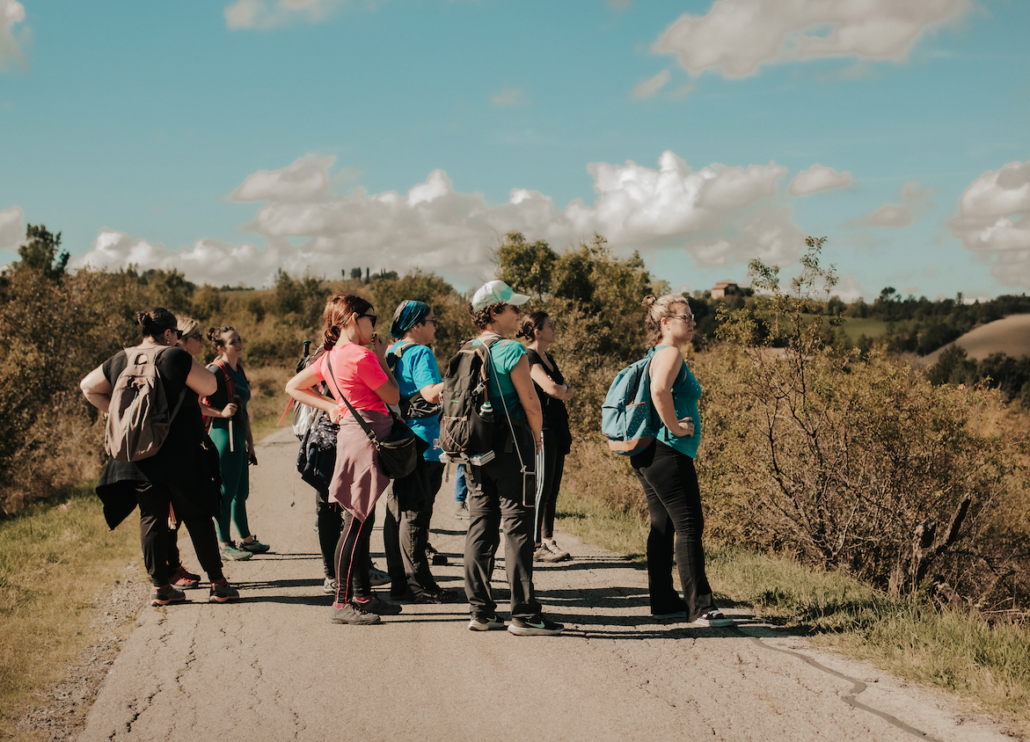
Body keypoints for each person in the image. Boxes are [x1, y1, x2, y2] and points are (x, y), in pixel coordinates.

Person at [79, 308, 240, 605]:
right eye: (175, 334)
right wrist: (181, 354)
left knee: (151, 517)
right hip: (179, 452)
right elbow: (210, 386)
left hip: (137, 455)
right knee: (196, 514)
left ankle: (161, 588)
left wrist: (124, 417)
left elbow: (88, 387)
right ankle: (218, 584)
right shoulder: (175, 355)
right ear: (168, 333)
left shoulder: (120, 358)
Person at [285, 294, 404, 625]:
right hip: (367, 439)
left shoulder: (330, 356)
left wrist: (331, 406)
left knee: (361, 518)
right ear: (354, 318)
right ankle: (341, 603)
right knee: (357, 522)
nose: (375, 326)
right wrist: (381, 359)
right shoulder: (363, 356)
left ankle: (363, 595)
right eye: (372, 318)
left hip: (354, 436)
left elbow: (293, 386)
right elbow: (393, 396)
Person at [461, 280, 564, 636]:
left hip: (474, 450)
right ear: (494, 312)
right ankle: (524, 613)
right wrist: (537, 437)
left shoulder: (465, 349)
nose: (518, 313)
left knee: (480, 527)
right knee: (518, 528)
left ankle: (481, 611)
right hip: (512, 449)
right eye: (513, 308)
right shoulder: (510, 350)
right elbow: (531, 401)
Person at [632, 295, 732, 626]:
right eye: (685, 317)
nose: (692, 322)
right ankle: (701, 607)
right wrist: (676, 426)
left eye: (692, 317)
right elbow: (660, 391)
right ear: (665, 323)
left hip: (651, 451)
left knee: (664, 525)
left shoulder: (656, 354)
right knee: (689, 525)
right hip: (668, 450)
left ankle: (663, 602)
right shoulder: (670, 353)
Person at [382, 300, 458, 603]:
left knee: (396, 512)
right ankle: (419, 583)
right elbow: (430, 392)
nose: (435, 325)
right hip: (424, 443)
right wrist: (457, 381)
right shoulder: (421, 352)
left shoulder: (391, 352)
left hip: (396, 441)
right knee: (416, 514)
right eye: (433, 320)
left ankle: (399, 582)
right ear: (417, 325)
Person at [204, 324, 269, 560]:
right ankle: (224, 544)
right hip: (223, 436)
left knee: (241, 492)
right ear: (220, 347)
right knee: (226, 492)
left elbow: (244, 409)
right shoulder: (214, 371)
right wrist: (219, 412)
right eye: (233, 341)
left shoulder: (237, 369)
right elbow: (195, 402)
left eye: (239, 339)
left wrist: (250, 442)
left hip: (239, 436)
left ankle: (247, 540)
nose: (239, 344)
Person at [518, 312, 575, 563]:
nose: (555, 328)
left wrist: (561, 391)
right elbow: (553, 389)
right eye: (550, 325)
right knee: (541, 487)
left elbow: (566, 390)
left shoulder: (547, 357)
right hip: (542, 429)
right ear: (537, 332)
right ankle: (534, 543)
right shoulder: (528, 358)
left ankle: (548, 540)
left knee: (552, 487)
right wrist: (560, 390)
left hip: (557, 428)